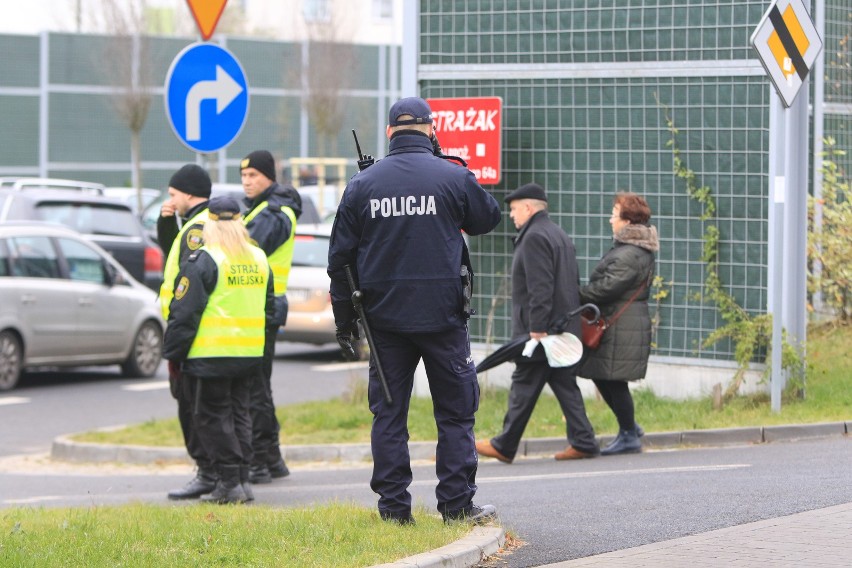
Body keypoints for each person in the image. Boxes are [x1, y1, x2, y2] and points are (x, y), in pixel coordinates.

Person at [328, 97, 502, 525]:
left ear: (390, 133)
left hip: (383, 322)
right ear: (431, 128)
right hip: (443, 318)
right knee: (456, 412)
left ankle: (393, 511)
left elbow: (340, 260)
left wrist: (344, 323)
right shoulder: (452, 175)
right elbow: (488, 218)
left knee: (389, 415)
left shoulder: (362, 185)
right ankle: (457, 506)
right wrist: (450, 168)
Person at [475, 183, 600, 464]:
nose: (511, 215)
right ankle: (583, 440)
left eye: (514, 209)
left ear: (529, 208)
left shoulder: (533, 237)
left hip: (543, 331)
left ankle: (505, 445)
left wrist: (537, 328)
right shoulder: (557, 233)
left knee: (524, 380)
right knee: (563, 382)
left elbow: (540, 287)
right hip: (563, 327)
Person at [162, 196, 275, 504]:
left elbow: (184, 313)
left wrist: (173, 354)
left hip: (210, 354)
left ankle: (228, 482)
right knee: (241, 415)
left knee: (211, 418)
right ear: (241, 221)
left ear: (209, 224)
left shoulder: (205, 259)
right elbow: (269, 309)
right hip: (249, 354)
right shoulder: (258, 257)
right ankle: (241, 480)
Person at [239, 149, 302, 484]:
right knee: (257, 385)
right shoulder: (262, 209)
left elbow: (244, 251)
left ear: (269, 177)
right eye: (244, 176)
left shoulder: (275, 213)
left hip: (262, 308)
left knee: (254, 388)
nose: (247, 182)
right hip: (259, 307)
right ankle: (272, 458)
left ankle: (260, 462)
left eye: (253, 176)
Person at [579, 192, 658, 455]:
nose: (610, 219)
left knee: (614, 380)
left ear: (626, 220)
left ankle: (628, 434)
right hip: (619, 322)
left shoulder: (629, 254)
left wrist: (575, 293)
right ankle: (630, 428)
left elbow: (606, 289)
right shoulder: (630, 249)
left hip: (622, 324)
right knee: (603, 376)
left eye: (614, 214)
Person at [156, 164, 216, 500]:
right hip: (198, 328)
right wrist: (167, 224)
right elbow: (173, 257)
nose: (171, 199)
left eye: (174, 193)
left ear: (190, 193)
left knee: (192, 405)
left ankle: (207, 472)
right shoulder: (201, 223)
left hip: (190, 328)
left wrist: (176, 337)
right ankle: (213, 471)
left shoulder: (197, 227)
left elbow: (186, 277)